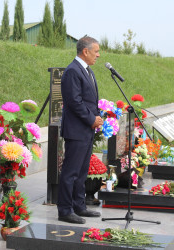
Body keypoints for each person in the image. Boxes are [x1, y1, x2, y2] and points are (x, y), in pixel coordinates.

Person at [58, 36, 103, 224]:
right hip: (76, 130)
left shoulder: (87, 70)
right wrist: (92, 119)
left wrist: (97, 117)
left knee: (82, 171)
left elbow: (88, 99)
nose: (98, 55)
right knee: (71, 172)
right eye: (96, 51)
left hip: (86, 130)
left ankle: (79, 206)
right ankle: (65, 210)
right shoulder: (72, 71)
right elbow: (74, 102)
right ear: (85, 51)